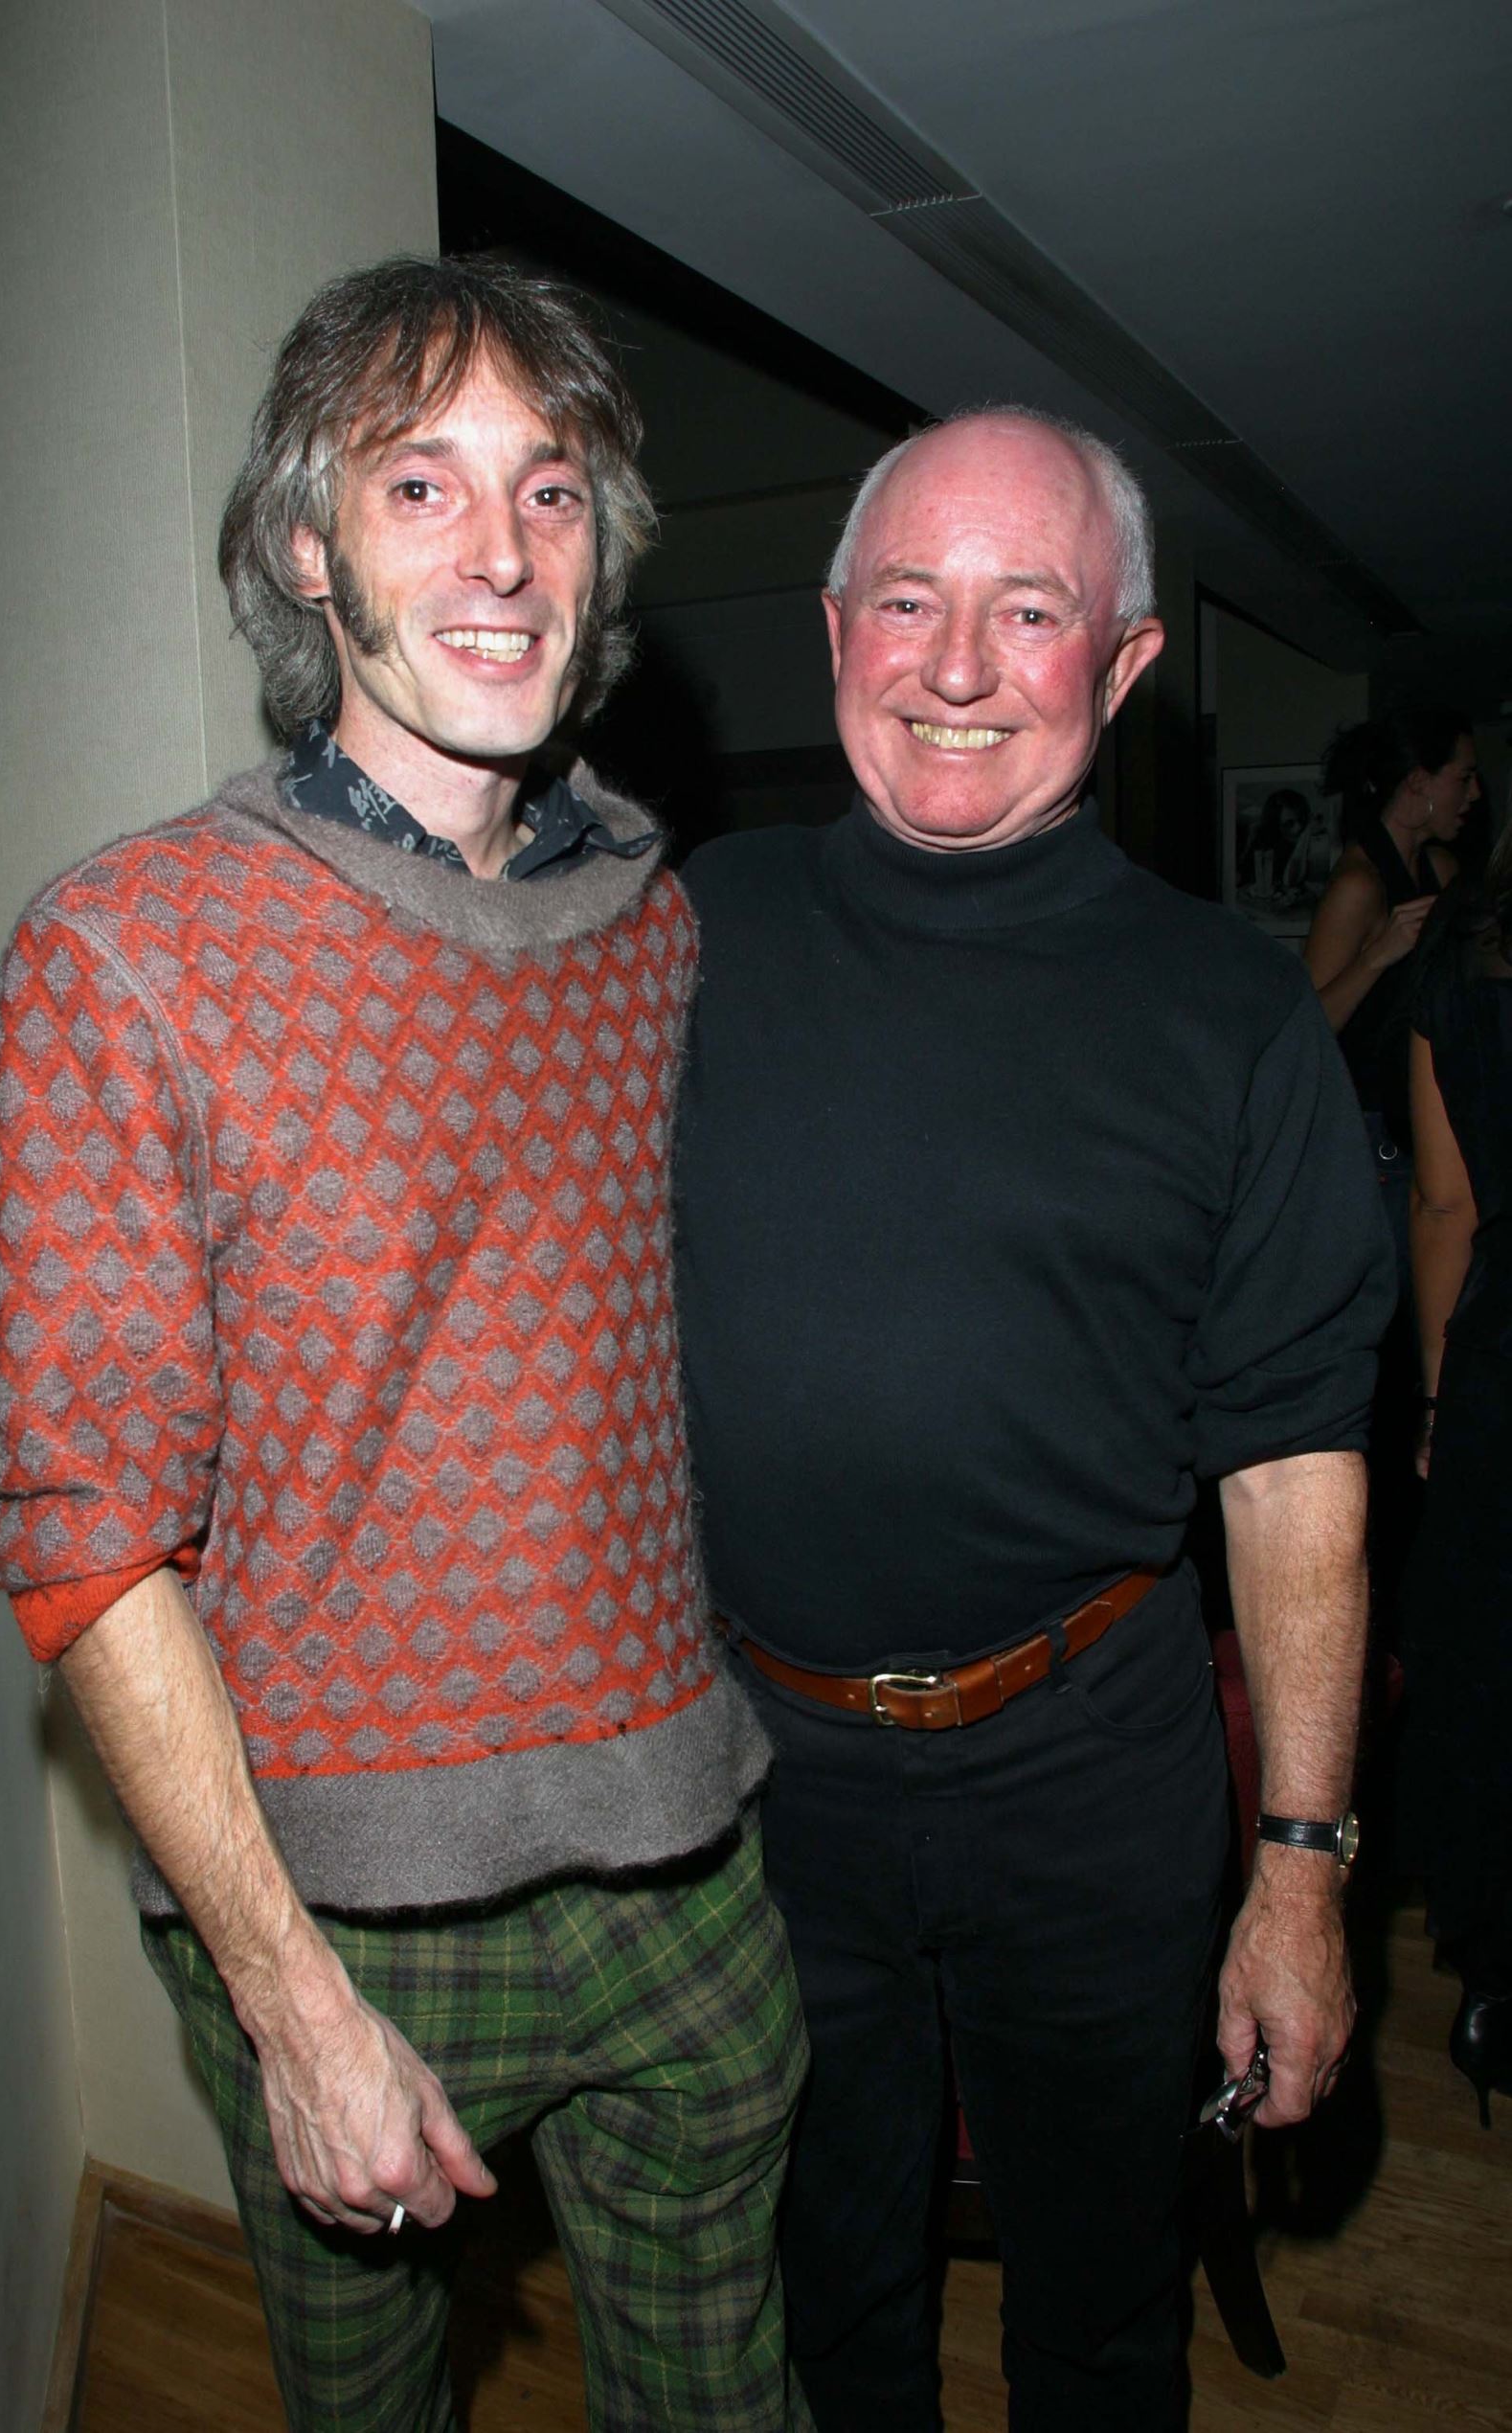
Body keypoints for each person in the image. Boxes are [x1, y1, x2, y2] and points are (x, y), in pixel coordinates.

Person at [0, 255, 809, 2433]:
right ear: (302, 546)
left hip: (686, 1868)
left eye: (550, 488)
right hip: (342, 1922)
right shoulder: (123, 950)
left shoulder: (653, 921)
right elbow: (85, 1541)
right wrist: (290, 2003)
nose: (500, 553)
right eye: (418, 483)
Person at [674, 407, 1392, 2430]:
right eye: (909, 601)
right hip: (764, 1788)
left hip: (1091, 1776)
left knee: (1096, 2322)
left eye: (1030, 610)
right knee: (830, 2308)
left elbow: (1293, 1482)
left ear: (1126, 662)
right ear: (835, 632)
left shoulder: (1232, 1016)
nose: (958, 668)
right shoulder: (685, 935)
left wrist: (1299, 1877)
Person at [1404, 828, 1512, 2126]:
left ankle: (1493, 1982)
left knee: (1491, 1670)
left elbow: (1446, 1209)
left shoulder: (1459, 952)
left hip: (1498, 1365)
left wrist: (1436, 1401)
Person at [1303, 707, 1480, 1262]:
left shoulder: (1441, 869)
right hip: (1375, 1134)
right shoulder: (1359, 884)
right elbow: (1307, 1026)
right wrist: (1378, 955)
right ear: (1419, 782)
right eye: (1463, 777)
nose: (1474, 794)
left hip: (1434, 1115)